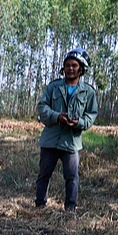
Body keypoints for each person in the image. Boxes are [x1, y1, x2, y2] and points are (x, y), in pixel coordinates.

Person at [34, 48, 99, 214]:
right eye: (67, 65)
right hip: (50, 140)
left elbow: (91, 115)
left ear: (81, 69)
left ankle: (70, 208)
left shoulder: (88, 92)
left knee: (72, 177)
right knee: (44, 174)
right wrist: (56, 117)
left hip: (71, 142)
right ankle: (40, 206)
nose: (70, 68)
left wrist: (79, 122)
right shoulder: (54, 87)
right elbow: (42, 106)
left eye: (74, 65)